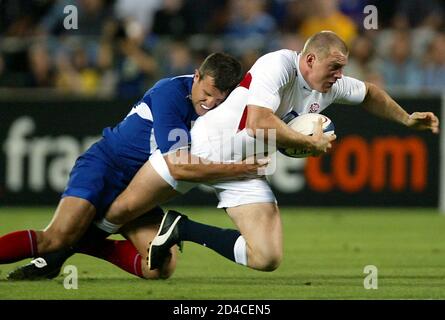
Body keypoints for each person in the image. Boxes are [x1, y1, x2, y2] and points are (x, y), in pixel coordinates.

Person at [6, 31, 439, 278]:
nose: (341, 76)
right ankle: (55, 254)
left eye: (343, 68)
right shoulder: (278, 65)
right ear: (308, 59)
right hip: (202, 150)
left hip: (243, 170)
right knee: (105, 220)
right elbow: (255, 121)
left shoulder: (333, 84)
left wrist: (405, 120)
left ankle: (183, 228)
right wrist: (305, 143)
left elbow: (371, 95)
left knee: (267, 258)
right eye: (334, 68)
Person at [0, 52, 267, 279]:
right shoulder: (170, 93)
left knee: (159, 267)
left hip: (137, 188)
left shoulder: (221, 110)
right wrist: (240, 169)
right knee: (55, 238)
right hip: (105, 168)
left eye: (218, 101)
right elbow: (178, 167)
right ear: (196, 76)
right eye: (207, 94)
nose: (210, 105)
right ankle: (67, 244)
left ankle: (82, 244)